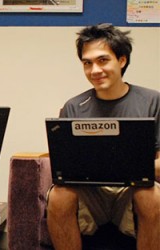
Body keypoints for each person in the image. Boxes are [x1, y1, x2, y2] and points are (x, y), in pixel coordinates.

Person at [46, 23, 160, 250]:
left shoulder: (152, 101)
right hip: (91, 193)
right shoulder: (74, 106)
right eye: (87, 63)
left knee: (151, 195)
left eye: (102, 60)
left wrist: (131, 167)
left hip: (132, 189)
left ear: (122, 60)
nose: (94, 70)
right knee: (59, 195)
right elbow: (61, 164)